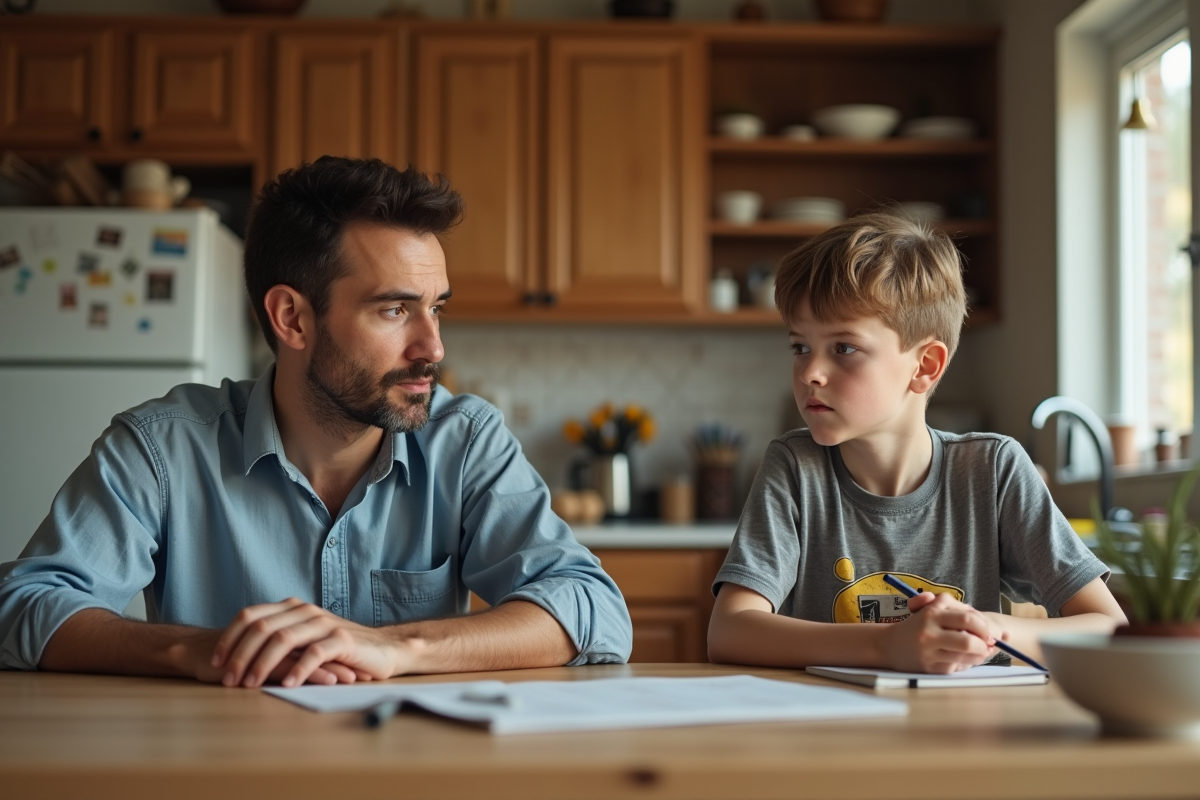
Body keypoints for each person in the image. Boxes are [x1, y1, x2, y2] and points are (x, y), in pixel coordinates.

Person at [0, 157, 632, 687]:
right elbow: (25, 606)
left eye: (436, 308)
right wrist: (197, 650)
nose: (433, 347)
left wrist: (397, 648)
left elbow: (591, 606)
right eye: (394, 310)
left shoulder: (464, 441)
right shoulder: (162, 449)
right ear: (292, 319)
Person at [707, 212, 1126, 674]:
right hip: (828, 738)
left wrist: (983, 632)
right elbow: (729, 631)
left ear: (925, 366)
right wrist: (888, 646)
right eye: (800, 347)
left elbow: (1109, 628)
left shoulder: (993, 469)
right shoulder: (794, 466)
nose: (810, 372)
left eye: (843, 348)